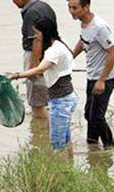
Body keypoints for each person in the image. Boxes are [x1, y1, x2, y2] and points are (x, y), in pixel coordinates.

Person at [8, 18, 78, 151]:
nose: (35, 36)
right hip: (68, 97)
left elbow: (40, 69)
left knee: (57, 145)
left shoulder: (54, 51)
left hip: (61, 101)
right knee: (66, 140)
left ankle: (61, 170)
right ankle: (69, 167)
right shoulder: (61, 43)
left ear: (45, 33)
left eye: (37, 33)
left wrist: (16, 75)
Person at [66, 0, 114, 148]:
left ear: (86, 7)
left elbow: (113, 53)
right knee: (89, 114)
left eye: (75, 8)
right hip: (92, 77)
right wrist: (69, 57)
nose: (71, 11)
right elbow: (83, 42)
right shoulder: (84, 24)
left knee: (96, 116)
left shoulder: (100, 27)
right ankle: (92, 144)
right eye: (69, 7)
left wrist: (102, 80)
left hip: (105, 78)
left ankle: (110, 147)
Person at [9, 0, 57, 120]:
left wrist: (32, 68)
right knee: (48, 98)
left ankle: (45, 132)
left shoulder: (31, 12)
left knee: (36, 104)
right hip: (50, 55)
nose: (13, 2)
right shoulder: (45, 6)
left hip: (35, 56)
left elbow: (36, 41)